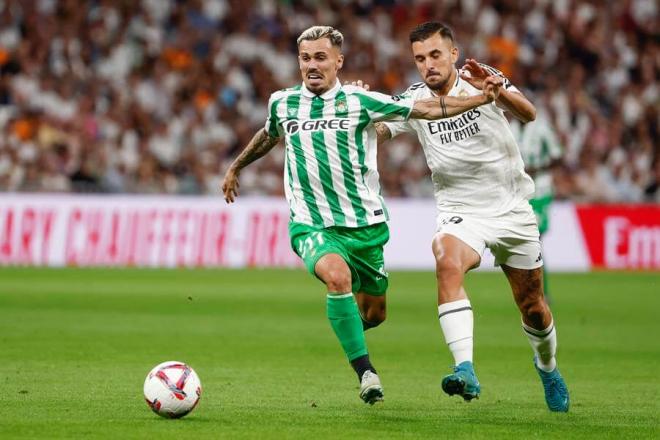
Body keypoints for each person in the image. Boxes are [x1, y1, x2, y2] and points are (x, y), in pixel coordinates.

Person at [221, 25, 501, 405]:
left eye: (321, 58)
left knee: (375, 312)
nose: (312, 66)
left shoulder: (360, 101)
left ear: (339, 62)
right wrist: (236, 167)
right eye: (305, 58)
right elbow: (269, 134)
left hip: (365, 226)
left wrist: (480, 100)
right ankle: (366, 373)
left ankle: (347, 324)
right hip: (312, 222)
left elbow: (425, 108)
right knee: (336, 278)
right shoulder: (281, 102)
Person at [375, 22, 570, 412]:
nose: (427, 64)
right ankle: (465, 368)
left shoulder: (481, 78)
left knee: (532, 305)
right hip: (460, 210)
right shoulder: (414, 100)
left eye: (434, 55)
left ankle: (547, 367)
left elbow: (528, 113)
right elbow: (382, 128)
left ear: (453, 53)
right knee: (446, 261)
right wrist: (362, 115)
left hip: (512, 208)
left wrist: (497, 93)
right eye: (419, 58)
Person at [510, 110, 564, 303]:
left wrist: (537, 168)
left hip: (540, 189)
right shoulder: (511, 127)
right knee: (523, 243)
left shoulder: (542, 128)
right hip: (520, 191)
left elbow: (558, 156)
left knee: (534, 240)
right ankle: (531, 291)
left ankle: (542, 293)